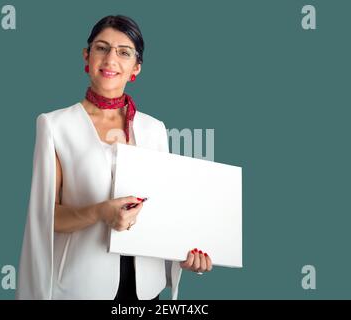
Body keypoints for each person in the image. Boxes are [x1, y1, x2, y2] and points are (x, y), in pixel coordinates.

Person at [16, 15, 212, 300]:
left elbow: (165, 211)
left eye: (124, 52)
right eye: (102, 47)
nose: (111, 58)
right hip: (81, 287)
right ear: (87, 56)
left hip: (146, 289)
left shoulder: (154, 129)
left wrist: (187, 252)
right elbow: (46, 216)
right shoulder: (55, 125)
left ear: (136, 68)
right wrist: (99, 213)